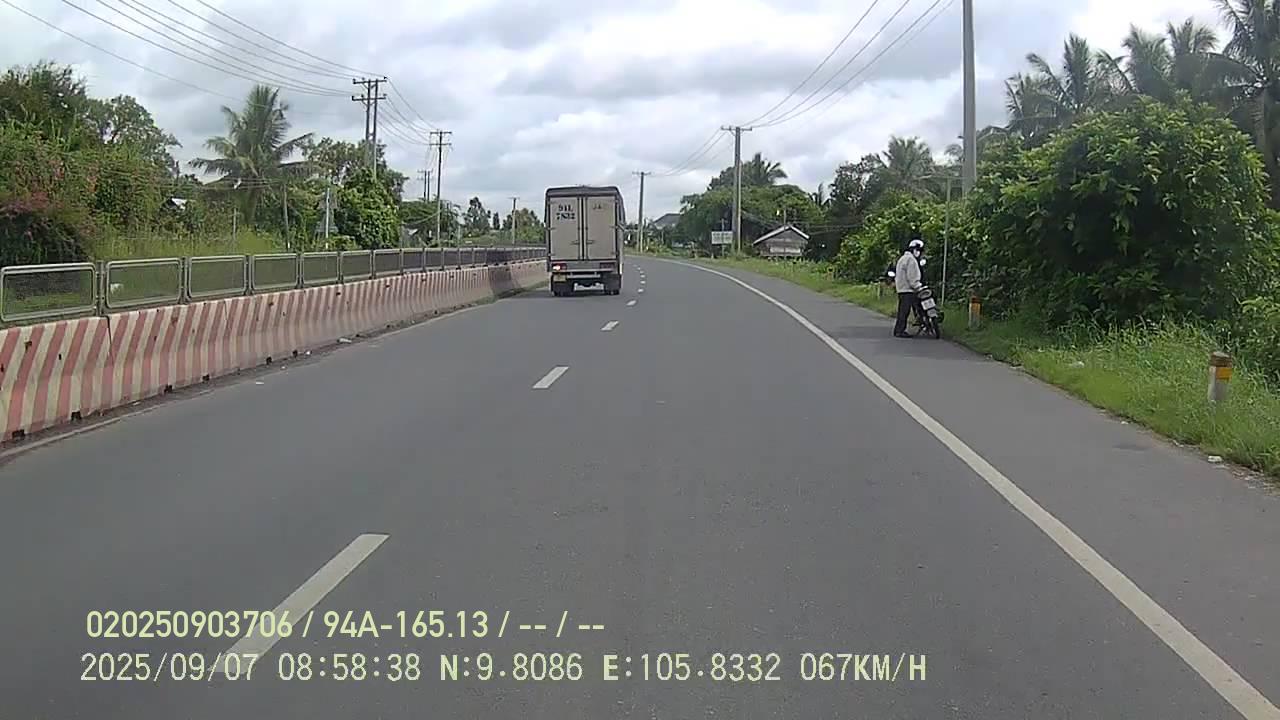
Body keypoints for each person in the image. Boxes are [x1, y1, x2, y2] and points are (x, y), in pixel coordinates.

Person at [893, 238, 925, 337]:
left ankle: (899, 329)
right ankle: (900, 331)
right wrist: (918, 287)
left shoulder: (903, 258)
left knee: (903, 310)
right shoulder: (911, 260)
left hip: (902, 288)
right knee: (905, 311)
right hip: (908, 289)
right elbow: (912, 276)